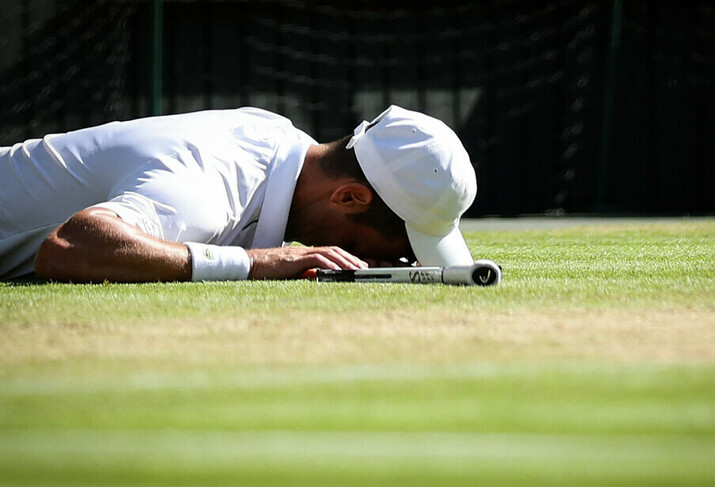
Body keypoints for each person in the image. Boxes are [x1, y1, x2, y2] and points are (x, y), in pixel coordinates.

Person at [0, 105, 477, 282]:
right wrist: (253, 264)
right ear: (350, 198)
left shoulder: (275, 138)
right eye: (399, 249)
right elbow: (71, 246)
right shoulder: (210, 189)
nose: (394, 265)